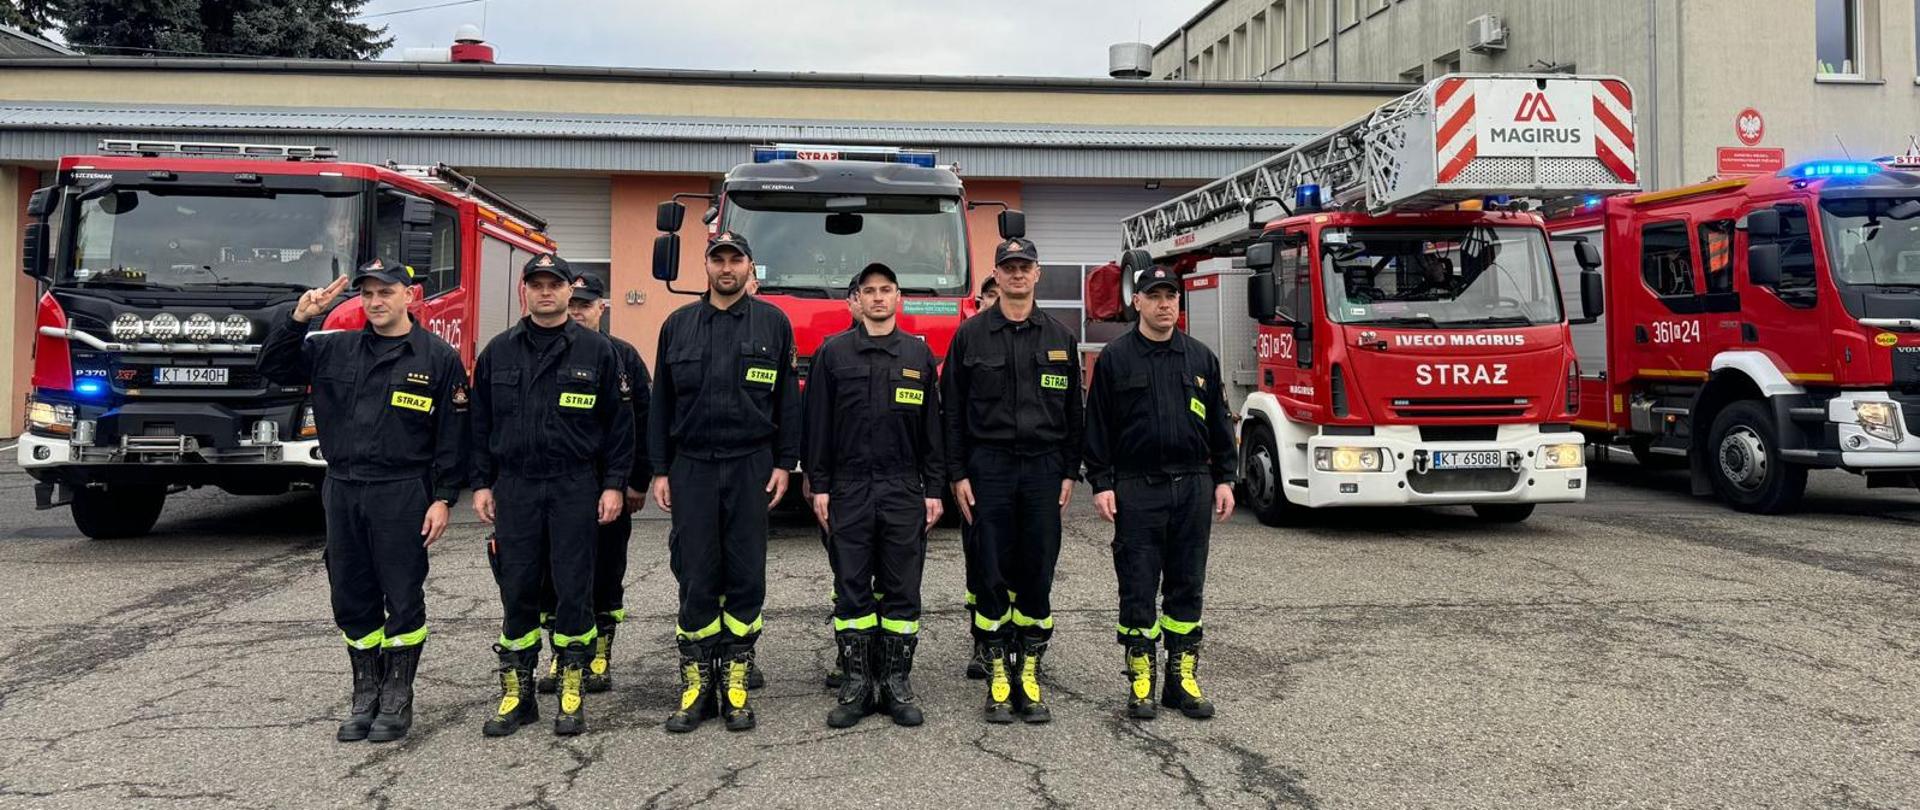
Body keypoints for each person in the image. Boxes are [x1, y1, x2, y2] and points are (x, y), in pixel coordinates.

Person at [258, 259, 467, 744]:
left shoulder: (436, 358)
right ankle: (365, 691)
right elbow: (272, 367)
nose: (376, 302)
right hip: (344, 486)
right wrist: (299, 317)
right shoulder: (333, 349)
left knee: (402, 593)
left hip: (402, 488)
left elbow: (452, 436)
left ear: (410, 296)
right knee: (351, 594)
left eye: (386, 293)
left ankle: (397, 696)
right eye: (368, 294)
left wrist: (443, 498)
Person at [471, 253, 634, 738]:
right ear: (526, 291)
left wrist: (613, 485)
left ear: (569, 291)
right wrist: (481, 482)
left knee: (573, 589)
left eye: (554, 284)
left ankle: (571, 687)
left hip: (574, 485)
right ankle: (516, 693)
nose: (546, 292)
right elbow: (479, 425)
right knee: (517, 588)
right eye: (537, 284)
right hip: (516, 486)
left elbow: (619, 426)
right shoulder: (498, 352)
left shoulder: (597, 352)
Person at [650, 232, 802, 733]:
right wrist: (660, 468)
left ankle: (734, 681)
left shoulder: (774, 324)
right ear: (707, 266)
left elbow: (787, 404)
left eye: (736, 259)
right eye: (719, 259)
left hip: (750, 464)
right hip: (691, 465)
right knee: (695, 574)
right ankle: (696, 684)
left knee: (745, 574)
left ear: (749, 266)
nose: (727, 267)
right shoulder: (678, 326)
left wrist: (785, 463)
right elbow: (661, 404)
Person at [1083, 264, 1238, 720]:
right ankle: (1141, 680)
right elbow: (1097, 428)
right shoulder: (1115, 358)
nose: (1165, 303)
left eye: (1171, 295)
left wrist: (1225, 477)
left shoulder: (1200, 358)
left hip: (1192, 484)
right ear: (1138, 302)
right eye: (1155, 296)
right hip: (1137, 487)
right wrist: (1101, 483)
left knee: (1187, 587)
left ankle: (1181, 679)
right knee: (1137, 587)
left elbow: (1219, 423)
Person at [941, 236, 1083, 724]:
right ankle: (998, 673)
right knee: (990, 574)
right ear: (996, 276)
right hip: (989, 469)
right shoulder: (971, 336)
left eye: (1025, 267)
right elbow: (952, 412)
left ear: (1037, 274)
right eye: (1009, 268)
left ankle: (1029, 673)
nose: (1017, 275)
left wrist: (1068, 471)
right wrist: (957, 473)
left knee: (1037, 573)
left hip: (1044, 470)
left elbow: (1074, 414)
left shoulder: (1061, 338)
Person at [805, 263, 945, 728]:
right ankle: (858, 684)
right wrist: (819, 485)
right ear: (857, 300)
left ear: (898, 297)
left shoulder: (918, 356)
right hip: (848, 488)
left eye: (887, 289)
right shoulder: (833, 354)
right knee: (851, 588)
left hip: (904, 487)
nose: (879, 298)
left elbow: (933, 432)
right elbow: (817, 426)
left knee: (903, 589)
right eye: (870, 291)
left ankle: (896, 683)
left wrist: (934, 489)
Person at [525, 273, 651, 696]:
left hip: (608, 485)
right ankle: (561, 653)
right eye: (573, 303)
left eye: (586, 304)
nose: (578, 310)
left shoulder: (624, 356)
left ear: (603, 307)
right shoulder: (545, 351)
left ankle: (599, 652)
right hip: (557, 486)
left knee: (605, 571)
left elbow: (641, 423)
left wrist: (635, 482)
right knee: (551, 574)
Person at [960, 274, 999, 681]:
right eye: (987, 295)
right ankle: (982, 636)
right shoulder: (969, 340)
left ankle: (1012, 638)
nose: (993, 300)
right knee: (980, 559)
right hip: (979, 469)